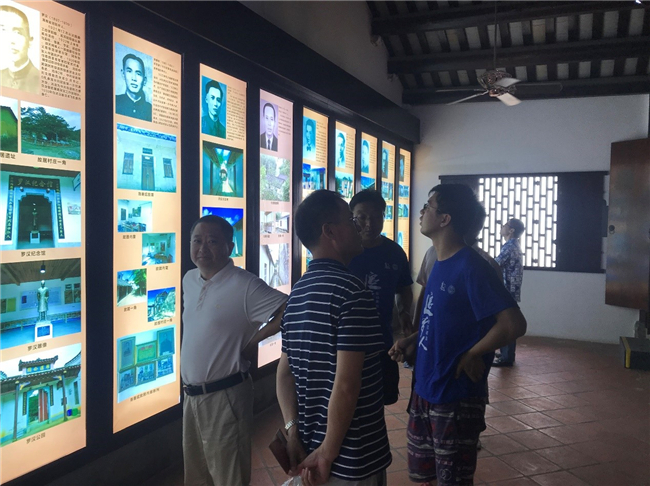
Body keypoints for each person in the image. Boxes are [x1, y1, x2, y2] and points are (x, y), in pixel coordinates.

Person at [390, 184, 527, 486]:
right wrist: (411, 341)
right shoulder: (439, 262)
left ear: (445, 219)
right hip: (425, 389)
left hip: (454, 397)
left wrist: (473, 353)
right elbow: (436, 321)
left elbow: (513, 324)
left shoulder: (472, 267)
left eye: (429, 206)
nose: (422, 211)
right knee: (425, 477)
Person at [277, 190, 392, 486]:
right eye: (351, 221)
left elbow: (284, 374)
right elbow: (346, 385)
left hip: (311, 450)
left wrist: (292, 431)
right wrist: (328, 453)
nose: (359, 227)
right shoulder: (352, 293)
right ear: (329, 232)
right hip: (352, 457)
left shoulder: (297, 293)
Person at [181, 215, 287, 486]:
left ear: (230, 246)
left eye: (212, 241)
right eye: (197, 241)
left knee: (229, 477)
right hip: (192, 397)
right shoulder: (189, 280)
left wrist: (254, 341)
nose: (203, 248)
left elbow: (290, 309)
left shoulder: (244, 285)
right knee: (197, 476)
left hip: (225, 396)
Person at [347, 190, 413, 405]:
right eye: (362, 217)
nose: (369, 224)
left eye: (376, 217)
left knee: (380, 400)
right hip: (345, 342)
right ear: (351, 217)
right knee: (346, 397)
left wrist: (404, 314)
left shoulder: (394, 252)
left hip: (382, 341)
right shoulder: (342, 251)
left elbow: (404, 287)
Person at [493, 218, 525, 367]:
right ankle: (506, 352)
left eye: (505, 225)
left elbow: (495, 264)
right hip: (511, 289)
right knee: (507, 321)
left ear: (511, 230)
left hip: (507, 290)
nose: (502, 227)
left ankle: (507, 357)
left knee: (506, 322)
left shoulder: (509, 247)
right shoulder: (513, 245)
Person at [0, 4, 40, 93]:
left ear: (30, 41)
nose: (11, 40)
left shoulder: (41, 81)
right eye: (3, 30)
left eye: (18, 32)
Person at [115, 53, 152, 121]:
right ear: (123, 74)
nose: (134, 78)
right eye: (129, 71)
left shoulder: (150, 109)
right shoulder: (115, 101)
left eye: (138, 73)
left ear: (144, 80)